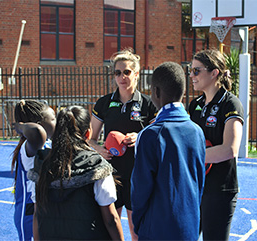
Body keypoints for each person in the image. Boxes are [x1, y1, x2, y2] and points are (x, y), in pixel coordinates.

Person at [131, 62, 206, 240]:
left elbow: (140, 189)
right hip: (190, 226)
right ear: (184, 92)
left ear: (156, 92)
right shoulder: (197, 131)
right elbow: (200, 183)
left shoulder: (149, 135)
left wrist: (139, 223)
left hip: (157, 229)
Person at [88, 48, 157, 240]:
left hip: (138, 173)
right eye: (118, 73)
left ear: (136, 74)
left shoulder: (148, 104)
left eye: (126, 72)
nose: (122, 77)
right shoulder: (104, 103)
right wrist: (99, 149)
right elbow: (90, 138)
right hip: (111, 173)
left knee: (136, 230)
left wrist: (140, 137)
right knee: (110, 226)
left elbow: (157, 139)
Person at [32, 105, 123, 240]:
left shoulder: (42, 164)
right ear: (88, 133)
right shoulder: (97, 166)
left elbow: (37, 215)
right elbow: (111, 219)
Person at [187, 49, 246, 240]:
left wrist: (192, 156)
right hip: (195, 186)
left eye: (197, 71)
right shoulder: (194, 105)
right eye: (190, 70)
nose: (191, 75)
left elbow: (230, 149)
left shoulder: (230, 104)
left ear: (214, 73)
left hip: (220, 189)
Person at [10, 100, 56, 241]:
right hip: (29, 213)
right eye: (53, 118)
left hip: (44, 209)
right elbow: (36, 132)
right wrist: (21, 126)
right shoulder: (28, 147)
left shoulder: (48, 143)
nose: (56, 121)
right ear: (40, 124)